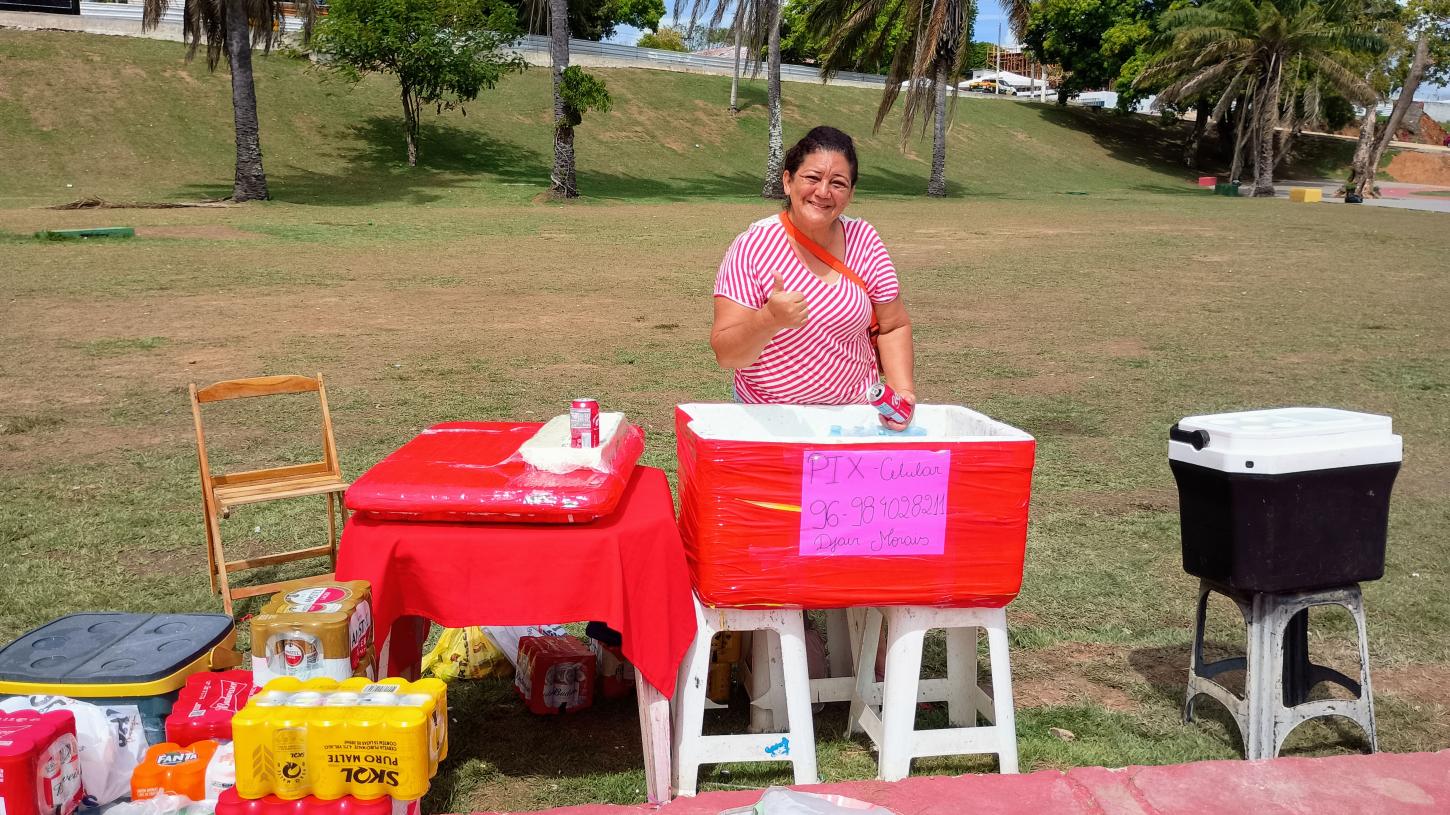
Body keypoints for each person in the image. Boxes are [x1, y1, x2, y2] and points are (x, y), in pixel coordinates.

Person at [709, 126, 916, 429]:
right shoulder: (753, 246)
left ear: (851, 193)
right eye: (812, 178)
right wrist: (768, 319)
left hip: (854, 421)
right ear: (787, 181)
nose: (823, 192)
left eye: (838, 183)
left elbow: (893, 325)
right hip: (769, 422)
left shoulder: (865, 240)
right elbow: (726, 354)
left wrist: (902, 393)